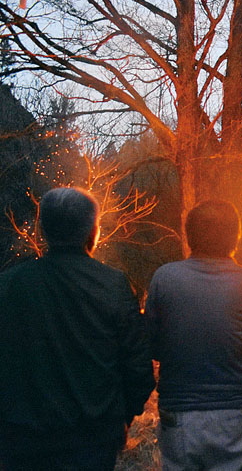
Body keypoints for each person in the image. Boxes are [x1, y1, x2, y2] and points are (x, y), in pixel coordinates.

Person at [0, 187, 155, 470]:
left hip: (22, 444)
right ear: (92, 232)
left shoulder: (10, 285)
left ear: (43, 230)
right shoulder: (113, 285)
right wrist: (122, 418)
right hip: (91, 444)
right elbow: (139, 368)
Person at [145, 200, 242, 470]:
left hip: (180, 414)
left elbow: (153, 348)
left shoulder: (164, 278)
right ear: (235, 237)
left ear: (188, 236)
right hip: (238, 415)